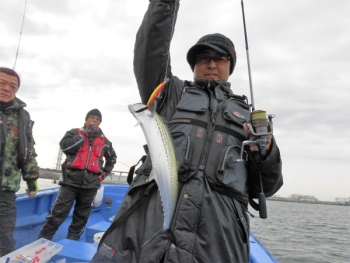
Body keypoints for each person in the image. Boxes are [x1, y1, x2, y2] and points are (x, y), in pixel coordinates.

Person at [92, 1, 283, 262]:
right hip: (145, 225)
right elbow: (151, 49)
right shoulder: (171, 94)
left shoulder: (249, 118)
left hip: (217, 239)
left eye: (219, 58)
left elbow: (268, 186)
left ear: (230, 66)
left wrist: (267, 152)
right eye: (203, 58)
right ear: (194, 66)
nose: (211, 64)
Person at [38, 109, 117, 241]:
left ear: (100, 122)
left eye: (97, 119)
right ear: (86, 119)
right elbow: (65, 147)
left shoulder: (105, 142)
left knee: (81, 218)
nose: (94, 120)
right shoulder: (74, 133)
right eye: (91, 117)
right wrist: (84, 135)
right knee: (57, 214)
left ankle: (72, 243)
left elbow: (112, 158)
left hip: (91, 185)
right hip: (70, 181)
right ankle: (42, 241)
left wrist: (103, 174)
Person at [0, 67, 39, 256]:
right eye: (2, 83)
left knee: (5, 238)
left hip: (6, 189)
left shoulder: (22, 117)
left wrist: (31, 179)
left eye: (13, 86)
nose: (7, 88)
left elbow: (28, 150)